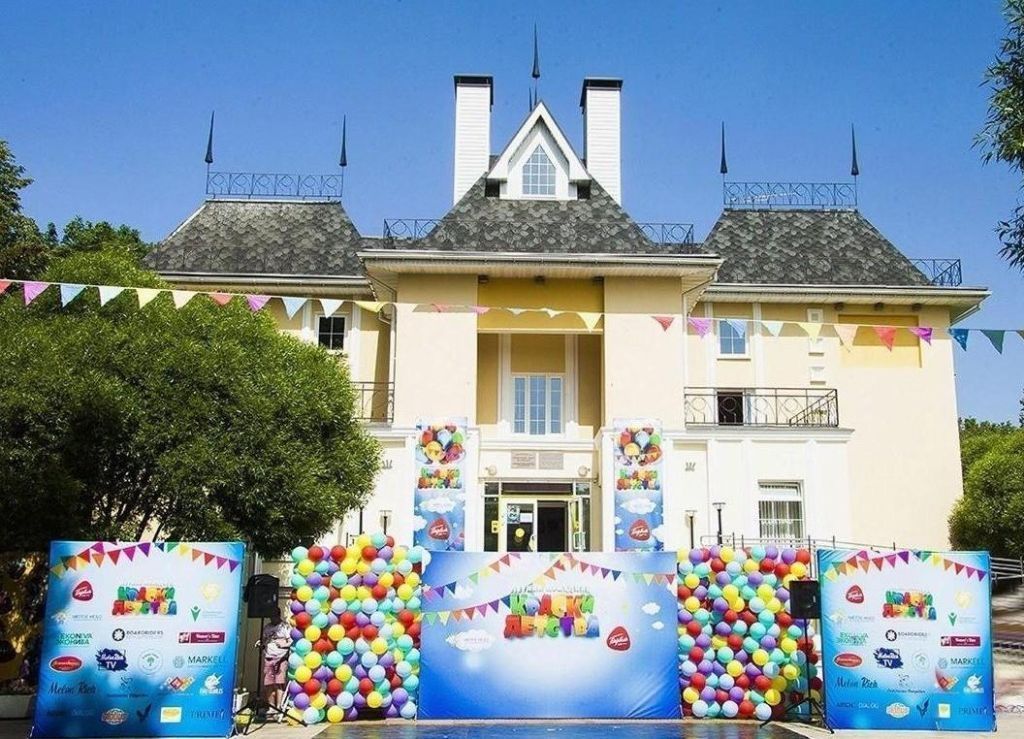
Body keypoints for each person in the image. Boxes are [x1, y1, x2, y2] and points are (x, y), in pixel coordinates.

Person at [258, 610, 292, 718]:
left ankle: (279, 707)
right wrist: (260, 643)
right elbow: (263, 640)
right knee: (268, 683)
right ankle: (271, 707)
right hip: (269, 657)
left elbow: (291, 641)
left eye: (273, 617)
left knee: (279, 683)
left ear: (278, 615)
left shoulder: (284, 627)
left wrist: (282, 645)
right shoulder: (267, 627)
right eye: (270, 617)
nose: (272, 619)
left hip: (281, 658)